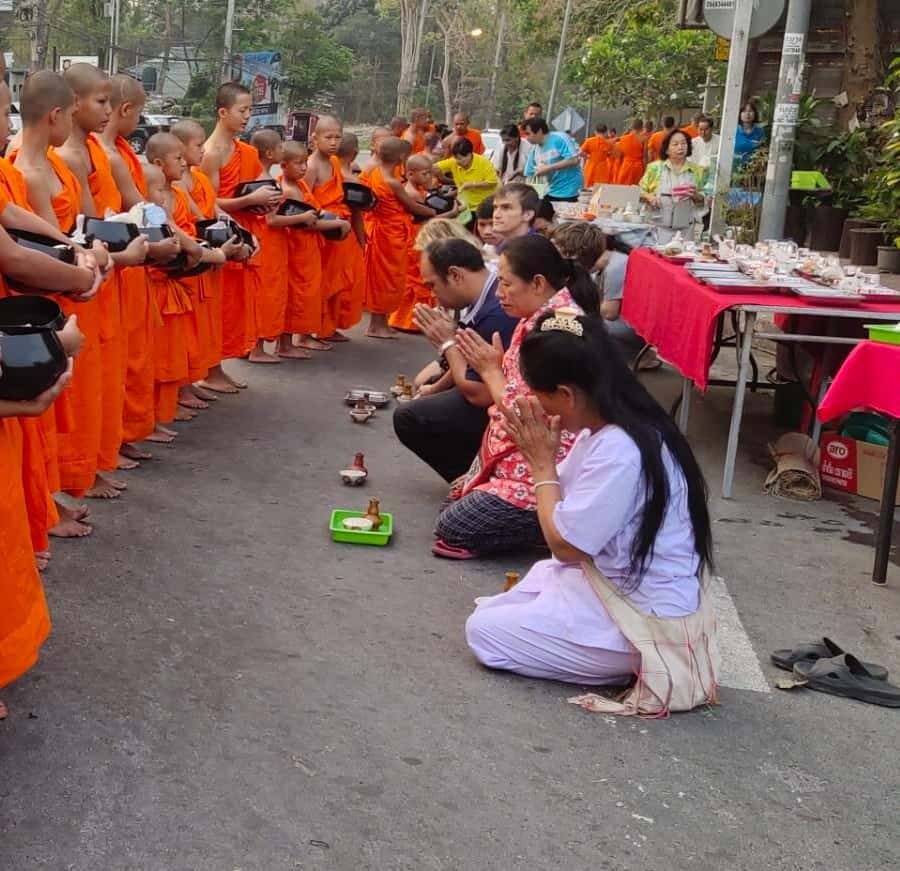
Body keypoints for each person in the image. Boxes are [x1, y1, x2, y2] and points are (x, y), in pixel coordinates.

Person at [464, 309, 713, 685]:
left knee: (484, 631)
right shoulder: (609, 426)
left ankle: (630, 666)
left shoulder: (620, 449)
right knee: (529, 587)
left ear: (566, 394)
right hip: (613, 587)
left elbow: (566, 545)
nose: (538, 406)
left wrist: (541, 465)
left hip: (643, 620)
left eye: (539, 395)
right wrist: (541, 463)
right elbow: (562, 505)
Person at [432, 235, 599, 559]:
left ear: (537, 283)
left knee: (453, 526)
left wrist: (491, 371)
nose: (498, 293)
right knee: (454, 504)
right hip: (523, 449)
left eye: (506, 284)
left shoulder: (557, 330)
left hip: (551, 459)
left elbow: (528, 415)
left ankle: (551, 527)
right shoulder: (539, 317)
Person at [13, 70, 109, 531]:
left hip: (47, 291)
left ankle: (41, 506)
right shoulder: (25, 168)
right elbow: (14, 256)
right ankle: (39, 513)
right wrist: (78, 275)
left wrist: (76, 248)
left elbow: (14, 216)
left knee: (35, 417)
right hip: (30, 298)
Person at [56, 62, 149, 498]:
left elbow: (96, 221)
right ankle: (73, 478)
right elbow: (75, 233)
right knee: (80, 387)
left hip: (102, 274)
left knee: (100, 383)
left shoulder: (92, 149)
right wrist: (118, 253)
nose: (108, 110)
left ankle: (91, 466)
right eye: (100, 101)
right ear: (71, 103)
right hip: (78, 283)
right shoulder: (67, 156)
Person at [101, 74, 181, 458]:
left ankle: (129, 432)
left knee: (134, 358)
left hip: (133, 266)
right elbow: (115, 216)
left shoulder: (119, 152)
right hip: (113, 266)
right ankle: (109, 445)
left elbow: (139, 209)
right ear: (127, 109)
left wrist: (175, 241)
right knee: (113, 366)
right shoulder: (103, 154)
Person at [394, 237, 518, 482]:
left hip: (509, 401)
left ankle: (478, 481)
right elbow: (472, 362)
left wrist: (448, 343)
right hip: (492, 385)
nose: (432, 296)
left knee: (410, 418)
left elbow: (479, 394)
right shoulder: (481, 294)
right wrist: (436, 387)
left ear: (455, 275)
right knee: (426, 388)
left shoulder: (497, 311)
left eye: (433, 286)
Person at [201, 81, 281, 386]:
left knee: (235, 307)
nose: (248, 116)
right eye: (242, 110)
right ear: (223, 112)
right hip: (226, 237)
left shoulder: (244, 150)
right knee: (220, 307)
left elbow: (259, 184)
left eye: (250, 110)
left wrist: (267, 197)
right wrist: (249, 201)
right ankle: (210, 371)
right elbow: (207, 203)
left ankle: (218, 368)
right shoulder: (212, 152)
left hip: (247, 231)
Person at [550, 222, 658, 368]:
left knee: (577, 324)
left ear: (576, 253)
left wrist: (575, 306)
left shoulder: (615, 267)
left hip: (633, 326)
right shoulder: (605, 263)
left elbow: (609, 312)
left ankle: (631, 357)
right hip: (626, 321)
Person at [363, 136, 435, 339]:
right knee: (389, 279)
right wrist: (434, 213)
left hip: (382, 231)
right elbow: (411, 206)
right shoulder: (392, 182)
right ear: (401, 158)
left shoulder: (375, 173)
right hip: (391, 233)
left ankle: (379, 323)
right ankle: (377, 325)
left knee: (382, 278)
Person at [304, 116, 363, 342]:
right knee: (321, 283)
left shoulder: (335, 163)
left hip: (339, 230)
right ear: (315, 138)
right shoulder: (310, 166)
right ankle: (311, 329)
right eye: (328, 137)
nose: (334, 142)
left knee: (341, 281)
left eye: (338, 137)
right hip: (322, 230)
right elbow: (306, 201)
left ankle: (327, 326)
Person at [388, 152, 440, 333]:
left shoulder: (414, 190)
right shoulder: (413, 194)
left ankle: (410, 319)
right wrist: (455, 210)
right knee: (417, 277)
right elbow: (429, 214)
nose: (429, 178)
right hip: (416, 237)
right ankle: (410, 321)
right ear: (410, 174)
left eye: (430, 173)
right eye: (425, 174)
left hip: (419, 235)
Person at [639, 128, 706, 241]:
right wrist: (649, 197)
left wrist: (695, 195)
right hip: (658, 229)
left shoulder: (697, 170)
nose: (680, 147)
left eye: (684, 143)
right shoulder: (655, 168)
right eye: (675, 144)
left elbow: (706, 200)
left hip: (686, 231)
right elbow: (639, 191)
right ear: (666, 150)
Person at [522, 118, 584, 202]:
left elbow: (574, 160)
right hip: (549, 191)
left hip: (569, 190)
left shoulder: (559, 138)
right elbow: (529, 174)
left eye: (528, 134)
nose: (526, 138)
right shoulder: (534, 150)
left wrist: (548, 168)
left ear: (539, 131)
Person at [435, 138, 498, 213]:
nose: (457, 161)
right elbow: (434, 167)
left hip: (483, 206)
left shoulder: (484, 163)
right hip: (464, 205)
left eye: (460, 159)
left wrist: (471, 185)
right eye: (455, 158)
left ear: (469, 154)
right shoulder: (453, 162)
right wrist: (440, 176)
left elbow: (492, 182)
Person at [491, 182, 540, 247]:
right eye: (495, 207)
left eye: (506, 208)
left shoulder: (538, 250)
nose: (496, 215)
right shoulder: (496, 245)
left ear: (527, 215)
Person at [613, 118, 645, 185]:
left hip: (626, 165)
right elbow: (645, 157)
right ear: (642, 127)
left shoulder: (623, 138)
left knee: (623, 188)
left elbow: (618, 155)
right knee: (636, 189)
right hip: (638, 167)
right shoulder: (643, 139)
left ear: (632, 127)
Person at [734, 101, 765, 168]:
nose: (747, 114)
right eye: (744, 111)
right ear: (739, 114)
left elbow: (763, 151)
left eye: (750, 111)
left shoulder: (760, 131)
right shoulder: (734, 131)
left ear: (755, 114)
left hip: (753, 170)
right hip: (734, 168)